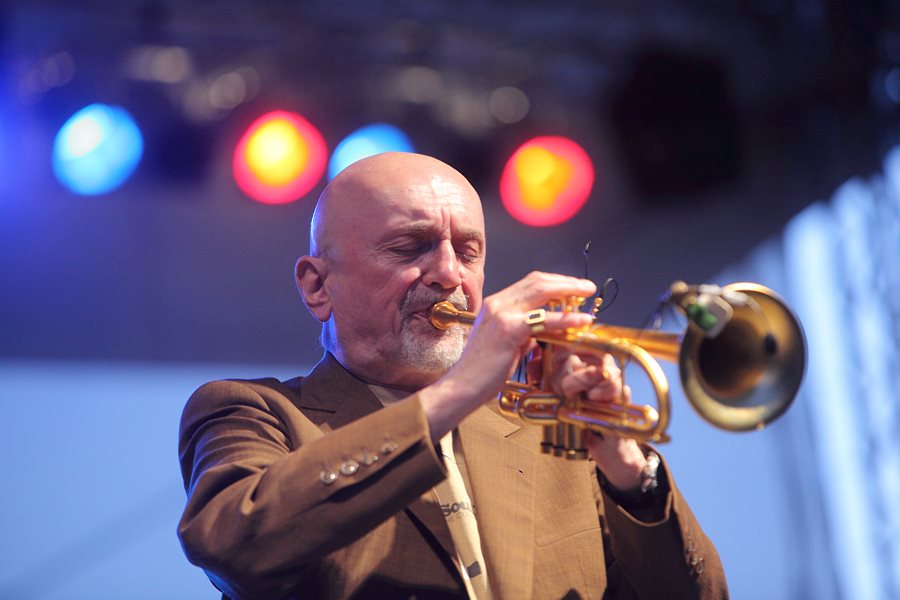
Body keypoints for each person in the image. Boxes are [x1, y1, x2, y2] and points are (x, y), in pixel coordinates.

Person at [177, 152, 728, 599]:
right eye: (408, 247)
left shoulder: (555, 431)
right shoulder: (252, 412)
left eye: (468, 252)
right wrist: (461, 389)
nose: (448, 274)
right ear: (318, 286)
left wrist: (629, 472)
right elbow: (236, 548)